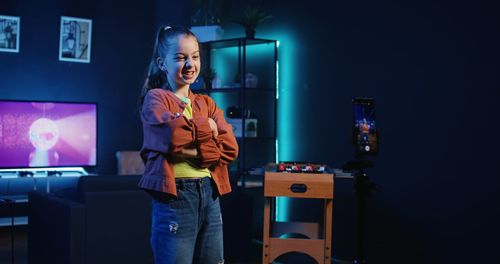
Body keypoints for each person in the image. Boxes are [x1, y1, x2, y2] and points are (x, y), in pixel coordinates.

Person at [138, 25, 238, 264]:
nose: (190, 64)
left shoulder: (207, 103)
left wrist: (188, 146)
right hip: (176, 197)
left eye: (194, 56)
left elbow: (230, 148)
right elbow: (173, 139)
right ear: (163, 63)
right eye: (181, 58)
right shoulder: (156, 99)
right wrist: (209, 129)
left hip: (210, 193)